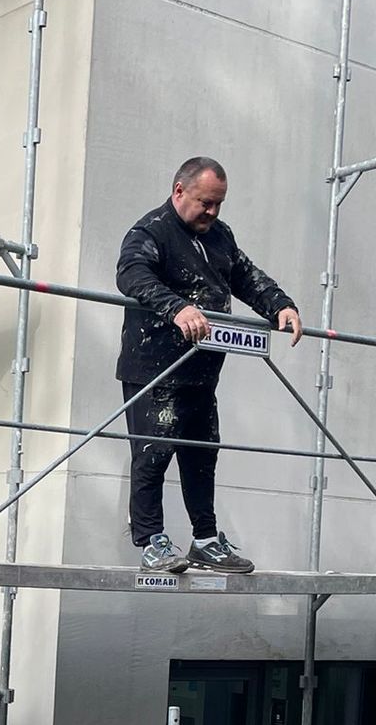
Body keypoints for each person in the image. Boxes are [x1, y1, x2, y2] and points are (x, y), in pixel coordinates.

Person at [115, 156, 303, 576]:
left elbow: (246, 276)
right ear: (179, 191)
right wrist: (176, 307)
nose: (212, 212)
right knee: (153, 452)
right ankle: (151, 540)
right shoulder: (151, 232)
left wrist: (281, 305)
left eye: (219, 204)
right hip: (155, 369)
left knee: (203, 454)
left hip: (201, 373)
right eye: (205, 203)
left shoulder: (219, 236)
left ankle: (205, 539)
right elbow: (132, 276)